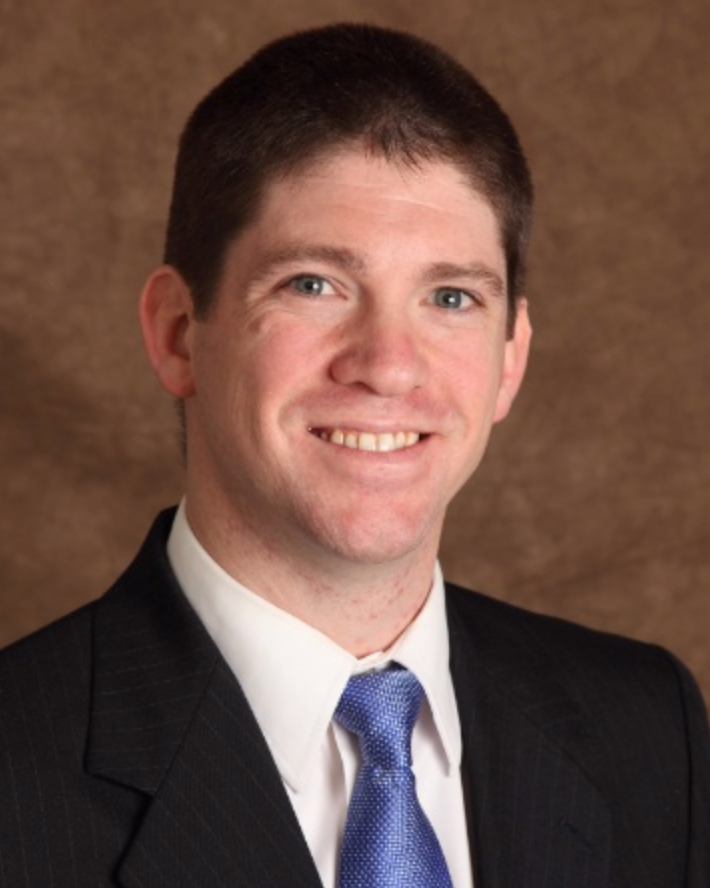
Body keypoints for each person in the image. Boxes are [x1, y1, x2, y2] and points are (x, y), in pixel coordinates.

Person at [0, 23, 708, 888]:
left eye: (450, 297)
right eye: (314, 284)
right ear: (179, 334)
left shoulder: (646, 729)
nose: (387, 365)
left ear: (508, 361)